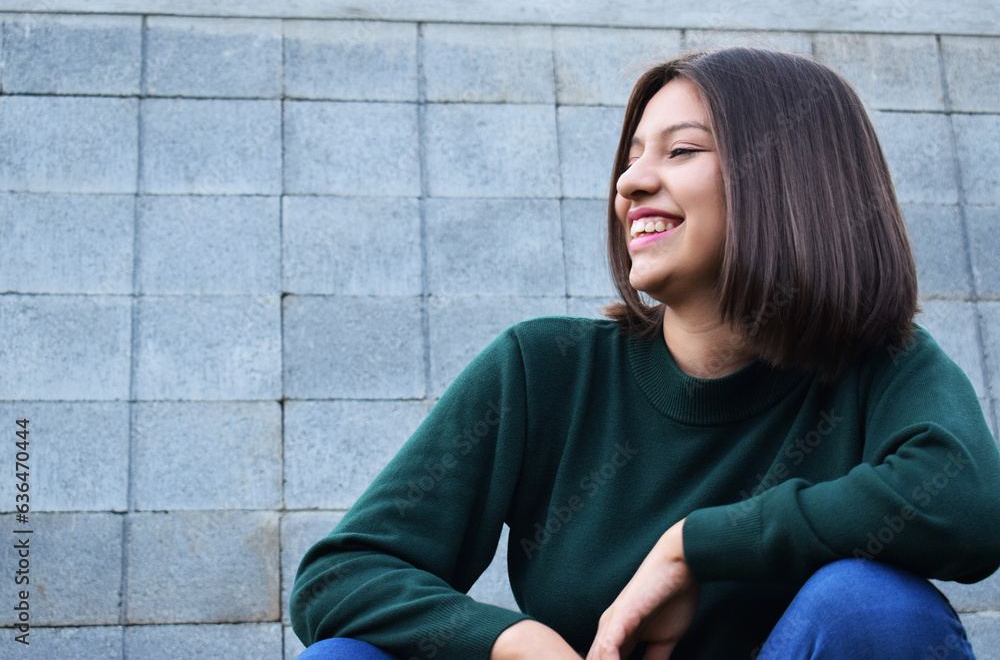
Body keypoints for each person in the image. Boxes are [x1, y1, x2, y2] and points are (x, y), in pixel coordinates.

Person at [290, 46, 1000, 660]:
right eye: (630, 160)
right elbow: (341, 574)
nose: (629, 184)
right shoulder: (545, 369)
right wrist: (511, 639)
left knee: (870, 606)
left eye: (680, 151)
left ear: (791, 181)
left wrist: (696, 545)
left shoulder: (882, 366)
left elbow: (970, 505)